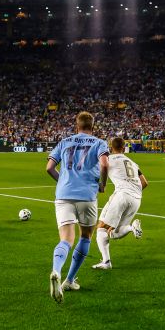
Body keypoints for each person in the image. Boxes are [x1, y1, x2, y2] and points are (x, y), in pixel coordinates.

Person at [45, 111, 109, 304]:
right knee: (85, 236)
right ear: (93, 126)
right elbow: (105, 164)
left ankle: (56, 270)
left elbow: (49, 167)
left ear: (76, 126)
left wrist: (61, 181)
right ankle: (69, 280)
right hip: (87, 196)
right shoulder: (99, 142)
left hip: (63, 195)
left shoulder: (65, 142)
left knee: (66, 239)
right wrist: (103, 185)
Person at [92, 137, 146, 270]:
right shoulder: (133, 163)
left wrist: (103, 184)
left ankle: (106, 262)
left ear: (111, 147)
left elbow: (103, 167)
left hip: (122, 195)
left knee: (101, 229)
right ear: (124, 148)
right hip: (137, 198)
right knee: (113, 232)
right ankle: (131, 228)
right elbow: (145, 182)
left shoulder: (108, 159)